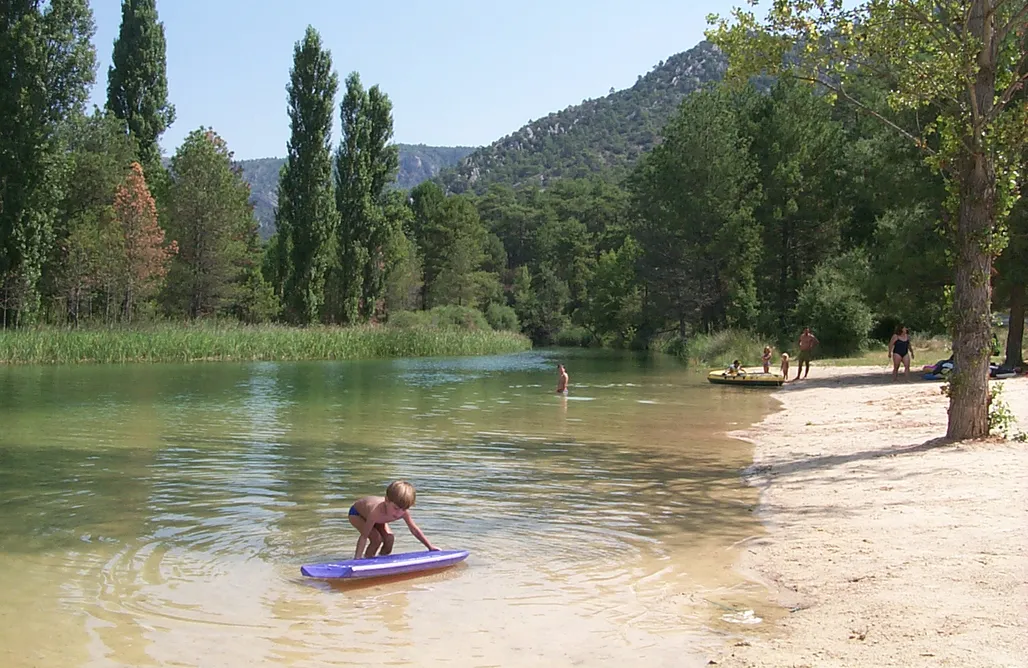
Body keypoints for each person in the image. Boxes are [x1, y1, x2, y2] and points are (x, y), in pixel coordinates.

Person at [349, 481, 438, 559]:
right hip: (357, 514)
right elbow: (364, 537)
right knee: (376, 538)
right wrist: (357, 558)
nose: (398, 513)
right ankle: (367, 559)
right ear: (387, 500)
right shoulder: (375, 512)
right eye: (396, 508)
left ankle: (382, 559)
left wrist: (430, 547)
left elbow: (414, 530)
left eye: (403, 509)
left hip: (380, 518)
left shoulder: (403, 512)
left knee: (389, 539)